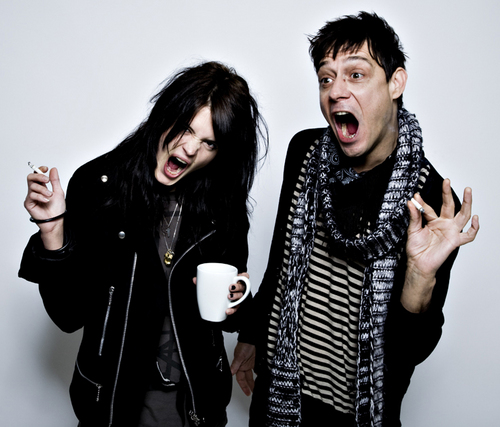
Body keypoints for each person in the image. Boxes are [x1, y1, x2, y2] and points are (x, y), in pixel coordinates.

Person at [231, 11, 479, 427]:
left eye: (356, 75)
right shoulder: (305, 152)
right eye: (326, 79)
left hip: (356, 416)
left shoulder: (433, 201)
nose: (336, 91)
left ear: (396, 83)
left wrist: (419, 278)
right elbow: (282, 264)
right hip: (280, 396)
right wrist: (251, 336)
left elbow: (409, 353)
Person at [19, 61, 267, 427]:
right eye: (185, 127)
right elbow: (68, 315)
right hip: (113, 408)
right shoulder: (99, 186)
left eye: (209, 142)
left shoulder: (222, 206)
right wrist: (52, 230)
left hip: (196, 409)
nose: (189, 148)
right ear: (165, 112)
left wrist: (237, 300)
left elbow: (231, 312)